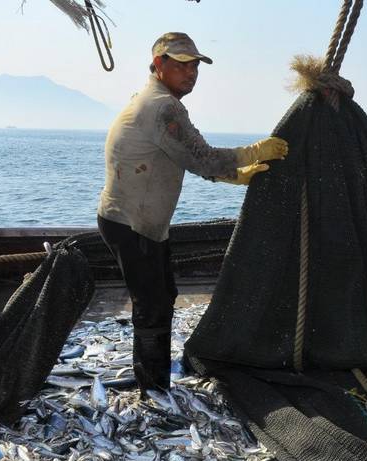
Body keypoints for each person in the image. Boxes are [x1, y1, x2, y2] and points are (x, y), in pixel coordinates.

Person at [97, 32, 288, 394]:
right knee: (152, 305)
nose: (191, 72)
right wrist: (253, 153)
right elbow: (202, 157)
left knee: (162, 294)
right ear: (158, 64)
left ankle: (154, 378)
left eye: (195, 65)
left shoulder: (157, 101)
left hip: (138, 222)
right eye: (181, 64)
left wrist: (235, 177)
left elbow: (183, 157)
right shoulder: (163, 107)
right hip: (132, 224)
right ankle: (153, 390)